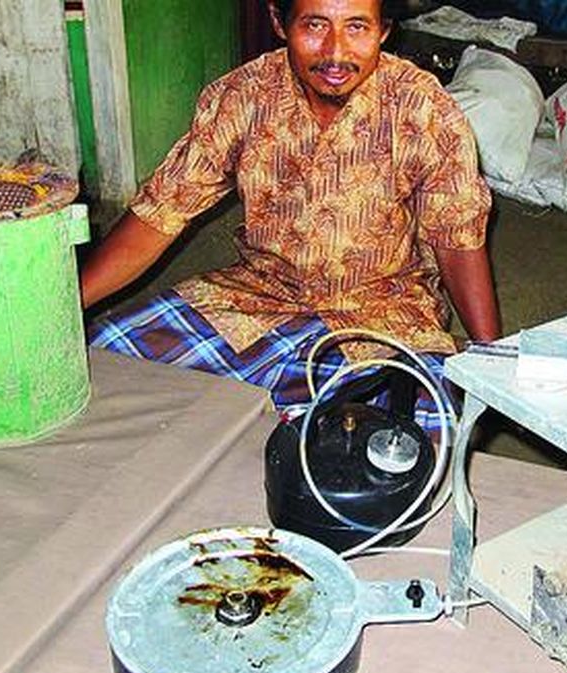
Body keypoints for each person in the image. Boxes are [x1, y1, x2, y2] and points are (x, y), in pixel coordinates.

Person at [82, 0, 500, 416]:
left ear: (384, 31)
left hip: (382, 313)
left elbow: (457, 238)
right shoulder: (243, 96)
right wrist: (67, 304)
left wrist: (492, 363)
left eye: (357, 28)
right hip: (256, 298)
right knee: (102, 366)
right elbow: (162, 211)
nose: (336, 52)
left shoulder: (423, 108)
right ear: (279, 23)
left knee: (412, 440)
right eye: (315, 26)